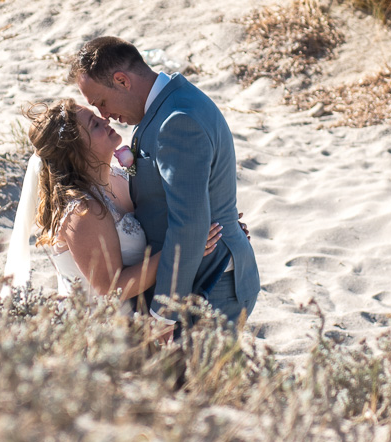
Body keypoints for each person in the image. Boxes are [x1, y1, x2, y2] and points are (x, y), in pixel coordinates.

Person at [73, 36, 259, 327]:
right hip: (192, 281)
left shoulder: (176, 120)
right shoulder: (170, 104)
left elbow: (189, 224)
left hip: (208, 286)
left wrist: (163, 314)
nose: (105, 116)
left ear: (122, 81)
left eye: (102, 103)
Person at [15, 97, 222, 313]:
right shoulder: (82, 211)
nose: (105, 120)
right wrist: (183, 249)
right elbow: (110, 288)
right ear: (75, 150)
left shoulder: (121, 178)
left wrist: (219, 222)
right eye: (95, 124)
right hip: (101, 331)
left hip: (142, 313)